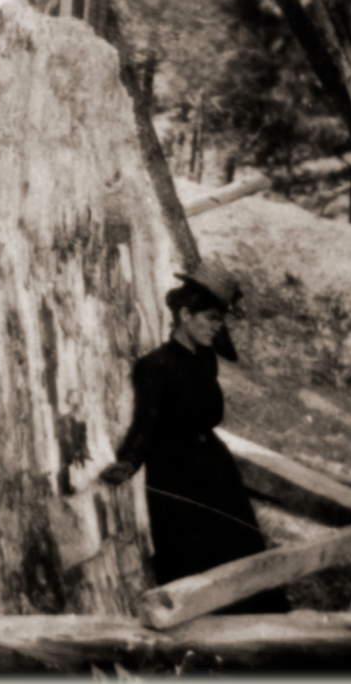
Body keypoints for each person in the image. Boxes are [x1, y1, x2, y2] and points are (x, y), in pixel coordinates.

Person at [100, 259, 290, 614]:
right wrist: (129, 462)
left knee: (239, 543)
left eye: (220, 321)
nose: (216, 329)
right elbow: (147, 423)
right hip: (176, 473)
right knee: (191, 554)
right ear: (185, 315)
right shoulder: (154, 366)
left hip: (214, 466)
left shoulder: (205, 359)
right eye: (210, 319)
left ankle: (255, 623)